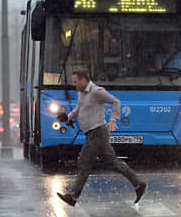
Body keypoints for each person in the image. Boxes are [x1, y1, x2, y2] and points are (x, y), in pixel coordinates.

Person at [56, 69, 146, 207]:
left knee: (84, 163)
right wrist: (68, 117)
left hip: (97, 133)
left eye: (75, 81)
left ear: (83, 80)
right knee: (113, 162)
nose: (74, 84)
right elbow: (79, 108)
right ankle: (138, 184)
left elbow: (115, 102)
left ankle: (73, 196)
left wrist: (113, 120)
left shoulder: (97, 92)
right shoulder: (81, 93)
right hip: (94, 134)